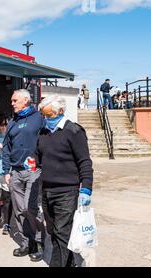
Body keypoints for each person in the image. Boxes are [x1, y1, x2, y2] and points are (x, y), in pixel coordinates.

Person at [34, 96, 94, 267]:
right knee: (53, 231)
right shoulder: (44, 132)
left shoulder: (74, 131)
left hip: (67, 192)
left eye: (49, 115)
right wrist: (31, 160)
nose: (46, 119)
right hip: (47, 190)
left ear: (60, 111)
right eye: (43, 116)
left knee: (62, 232)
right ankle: (70, 263)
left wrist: (86, 188)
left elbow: (85, 162)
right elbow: (38, 155)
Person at [2, 89, 46, 262]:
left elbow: (47, 142)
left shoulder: (39, 119)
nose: (12, 103)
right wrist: (6, 171)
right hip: (15, 172)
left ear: (26, 100)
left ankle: (39, 242)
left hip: (34, 172)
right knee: (20, 211)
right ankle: (26, 242)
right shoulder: (13, 121)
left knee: (31, 208)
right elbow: (6, 148)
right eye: (12, 101)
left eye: (15, 100)